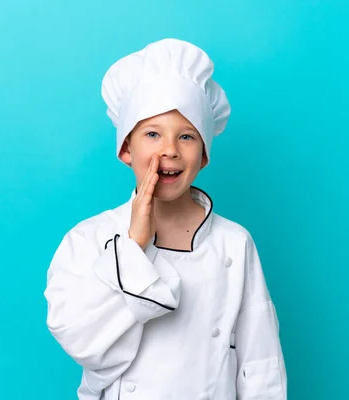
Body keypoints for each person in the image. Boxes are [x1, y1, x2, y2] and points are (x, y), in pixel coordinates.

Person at [44, 38, 287, 399]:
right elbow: (81, 340)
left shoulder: (234, 243)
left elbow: (261, 363)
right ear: (126, 149)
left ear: (204, 155)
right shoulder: (88, 239)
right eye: (152, 134)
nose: (169, 150)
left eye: (187, 136)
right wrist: (133, 248)